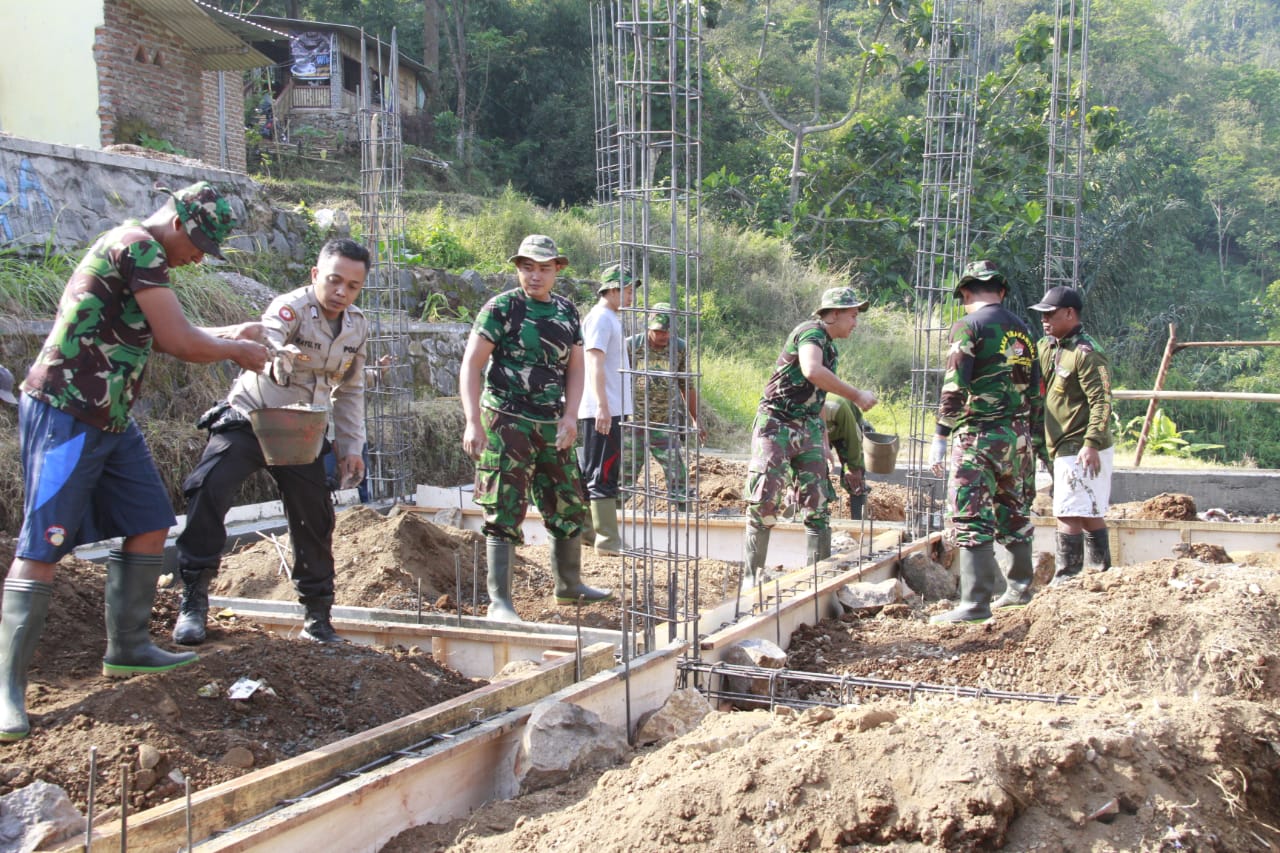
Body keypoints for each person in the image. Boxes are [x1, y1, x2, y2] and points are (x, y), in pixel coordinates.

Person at [0, 181, 270, 741]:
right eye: (196, 244)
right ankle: (8, 690)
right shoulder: (136, 245)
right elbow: (176, 340)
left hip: (111, 416)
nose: (196, 257)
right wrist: (235, 349)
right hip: (67, 410)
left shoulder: (147, 259)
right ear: (175, 219)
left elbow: (154, 331)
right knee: (43, 542)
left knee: (149, 520)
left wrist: (229, 333)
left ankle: (128, 647)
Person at [173, 238, 372, 646]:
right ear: (316, 275)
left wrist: (352, 447)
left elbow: (350, 391)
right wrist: (277, 347)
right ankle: (193, 601)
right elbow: (271, 329)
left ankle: (317, 617)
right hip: (253, 416)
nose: (341, 292)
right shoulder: (292, 307)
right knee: (209, 486)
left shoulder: (357, 326)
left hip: (302, 431)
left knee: (314, 517)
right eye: (334, 281)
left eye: (353, 286)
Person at [459, 235, 612, 623]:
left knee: (569, 501)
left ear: (557, 270)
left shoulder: (565, 312)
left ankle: (569, 585)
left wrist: (570, 416)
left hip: (551, 421)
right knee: (504, 506)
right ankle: (501, 603)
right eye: (527, 267)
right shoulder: (501, 308)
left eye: (544, 268)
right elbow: (471, 365)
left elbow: (575, 368)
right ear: (518, 269)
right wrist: (472, 421)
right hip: (506, 420)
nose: (535, 275)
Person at [928, 260, 1048, 623]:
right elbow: (1037, 391)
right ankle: (1019, 590)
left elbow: (955, 386)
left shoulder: (968, 326)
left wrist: (941, 436)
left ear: (965, 292)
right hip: (1019, 437)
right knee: (1014, 512)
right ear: (1002, 292)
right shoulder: (1024, 331)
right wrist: (1037, 444)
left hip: (979, 437)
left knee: (971, 515)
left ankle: (975, 603)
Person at [743, 287, 878, 587]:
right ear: (833, 314)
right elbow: (811, 370)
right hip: (777, 424)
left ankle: (818, 579)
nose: (855, 323)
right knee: (765, 500)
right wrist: (856, 396)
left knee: (817, 504)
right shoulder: (811, 333)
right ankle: (751, 579)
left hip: (809, 428)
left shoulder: (830, 347)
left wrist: (825, 444)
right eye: (852, 316)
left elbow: (817, 396)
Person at [1028, 285, 1114, 582]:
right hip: (1059, 443)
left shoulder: (1086, 353)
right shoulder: (1048, 347)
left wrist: (1090, 444)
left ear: (1070, 313)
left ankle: (1069, 575)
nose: (1044, 320)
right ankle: (1100, 573)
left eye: (1050, 314)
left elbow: (1101, 401)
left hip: (1078, 444)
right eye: (1042, 315)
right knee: (1088, 511)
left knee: (1067, 511)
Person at [625, 302, 706, 511]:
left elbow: (686, 384)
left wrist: (695, 418)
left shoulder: (678, 348)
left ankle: (683, 513)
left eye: (668, 332)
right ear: (648, 327)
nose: (664, 336)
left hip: (664, 422)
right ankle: (613, 520)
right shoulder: (631, 346)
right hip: (633, 423)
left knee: (677, 474)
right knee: (624, 475)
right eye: (659, 331)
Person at [577, 264, 635, 554]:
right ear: (612, 289)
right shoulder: (600, 318)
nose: (631, 296)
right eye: (626, 290)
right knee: (603, 469)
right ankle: (607, 539)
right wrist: (602, 406)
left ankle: (588, 532)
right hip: (602, 409)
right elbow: (594, 362)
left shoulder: (610, 318)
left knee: (595, 468)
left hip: (610, 407)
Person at [820, 395, 869, 519]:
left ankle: (859, 521)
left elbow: (853, 436)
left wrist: (853, 467)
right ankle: (819, 519)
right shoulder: (800, 411)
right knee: (814, 473)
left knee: (854, 478)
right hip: (818, 436)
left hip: (844, 432)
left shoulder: (837, 406)